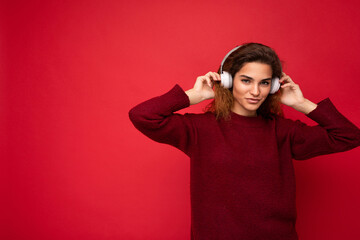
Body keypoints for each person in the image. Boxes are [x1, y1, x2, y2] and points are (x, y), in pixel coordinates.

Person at [128, 43, 360, 240]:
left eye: (265, 83)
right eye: (246, 81)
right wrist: (193, 96)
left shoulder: (283, 131)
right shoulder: (199, 129)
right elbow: (142, 116)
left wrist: (301, 103)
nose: (256, 91)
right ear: (228, 81)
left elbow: (349, 136)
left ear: (275, 86)